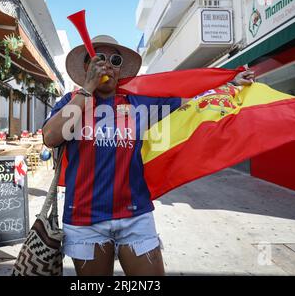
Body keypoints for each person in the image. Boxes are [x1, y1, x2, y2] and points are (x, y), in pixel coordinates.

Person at [42, 35, 255, 276]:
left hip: (135, 216)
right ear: (86, 66)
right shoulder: (71, 101)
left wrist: (230, 83)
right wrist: (87, 89)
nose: (107, 65)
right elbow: (50, 137)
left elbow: (195, 102)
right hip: (84, 219)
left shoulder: (139, 103)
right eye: (98, 58)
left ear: (120, 69)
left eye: (115, 60)